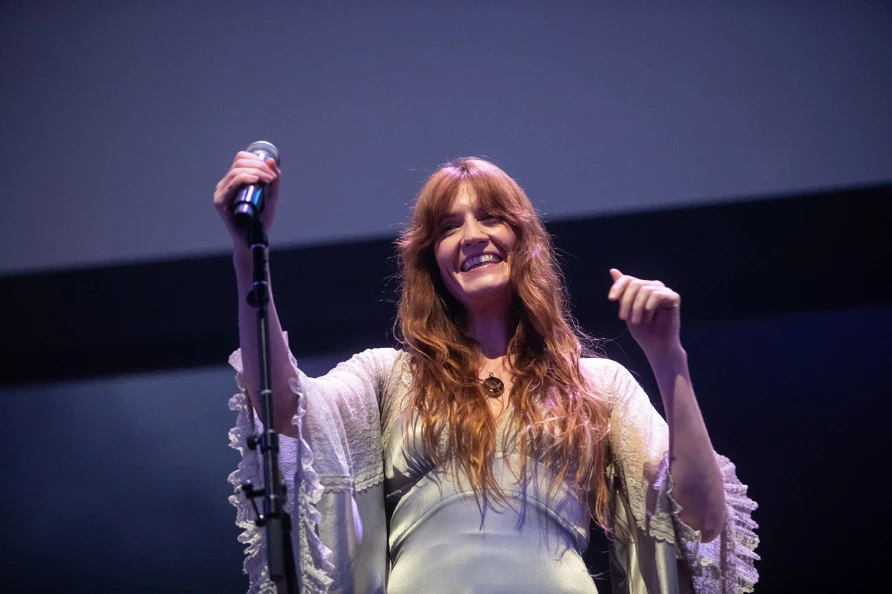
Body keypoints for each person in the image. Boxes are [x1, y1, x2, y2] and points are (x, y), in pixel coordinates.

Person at [213, 153, 759, 594]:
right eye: (450, 226)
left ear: (525, 241)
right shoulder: (388, 377)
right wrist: (247, 255)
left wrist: (668, 358)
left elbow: (701, 521)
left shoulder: (597, 384)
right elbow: (285, 410)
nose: (472, 235)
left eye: (490, 217)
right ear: (433, 262)